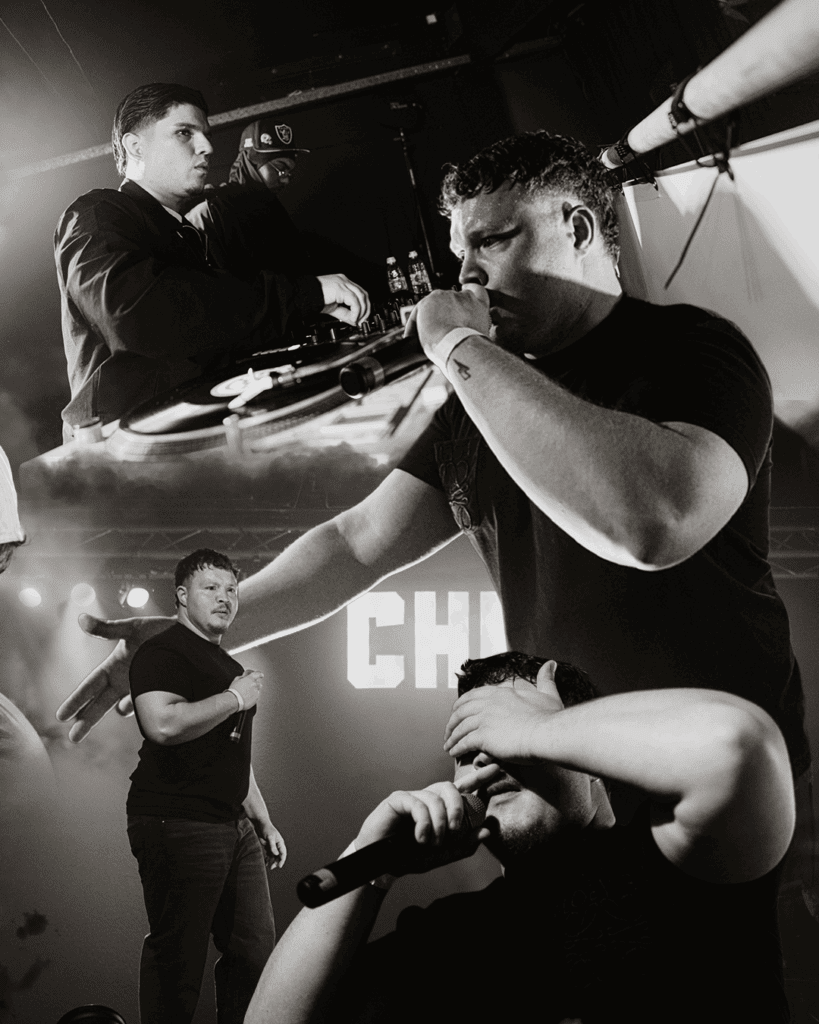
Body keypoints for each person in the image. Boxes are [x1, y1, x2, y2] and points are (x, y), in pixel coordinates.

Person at [57, 130, 809, 781]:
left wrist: (456, 343)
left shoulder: (690, 350)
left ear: (577, 227)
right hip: (579, 778)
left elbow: (655, 523)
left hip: (724, 775)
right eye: (459, 252)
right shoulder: (479, 393)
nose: (466, 275)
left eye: (492, 241)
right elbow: (356, 543)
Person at [242, 650, 796, 1023]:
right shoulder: (450, 937)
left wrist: (539, 728)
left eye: (506, 737)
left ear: (587, 750)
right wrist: (369, 861)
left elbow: (740, 747)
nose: (485, 760)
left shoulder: (685, 865)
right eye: (467, 751)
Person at [54, 83, 371, 440]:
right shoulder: (96, 214)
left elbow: (212, 331)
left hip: (183, 433)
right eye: (184, 133)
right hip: (118, 445)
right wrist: (303, 294)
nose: (207, 146)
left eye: (205, 134)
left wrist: (307, 311)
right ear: (135, 147)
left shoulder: (182, 232)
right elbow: (141, 315)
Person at [124, 548, 286, 1024]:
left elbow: (233, 754)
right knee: (178, 958)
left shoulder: (227, 664)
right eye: (210, 588)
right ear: (181, 595)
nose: (224, 598)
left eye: (231, 589)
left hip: (232, 826)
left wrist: (263, 820)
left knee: (255, 952)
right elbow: (162, 725)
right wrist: (235, 697)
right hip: (176, 819)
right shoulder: (163, 652)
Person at [185, 119, 313, 283]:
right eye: (280, 168)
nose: (285, 179)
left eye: (289, 172)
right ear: (251, 162)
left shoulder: (275, 213)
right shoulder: (211, 215)